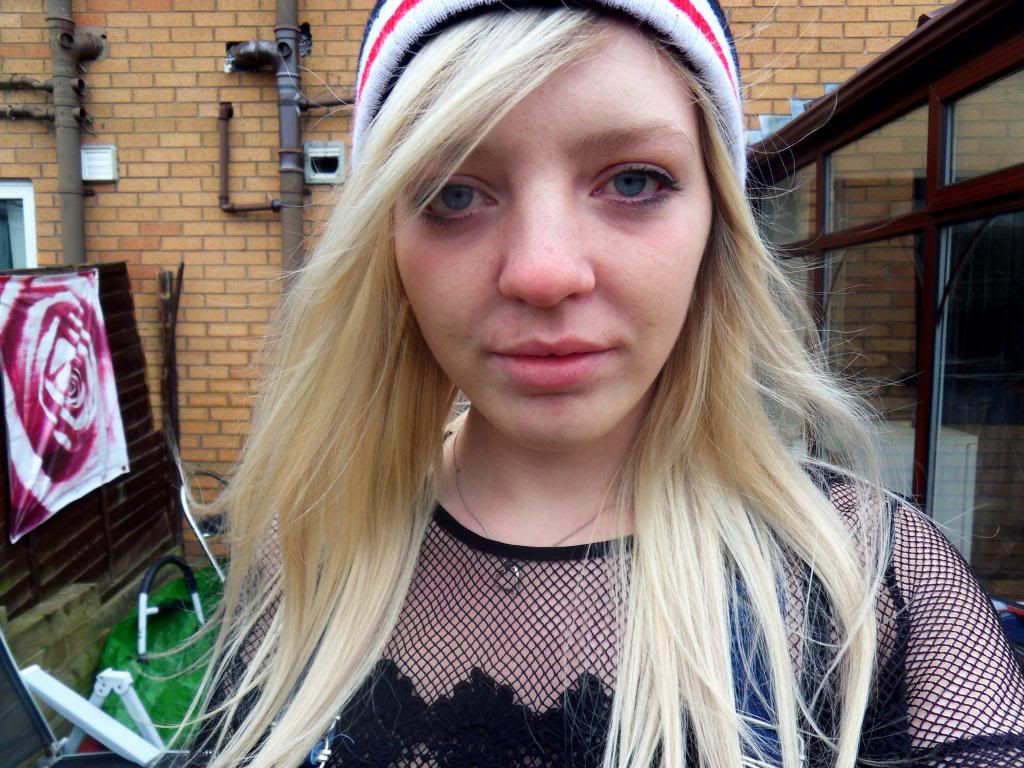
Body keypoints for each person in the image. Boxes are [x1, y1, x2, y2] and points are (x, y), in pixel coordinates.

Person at [187, 1, 1024, 766]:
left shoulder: (872, 584)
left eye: (633, 181)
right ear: (388, 246)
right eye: (453, 193)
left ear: (717, 227)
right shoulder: (309, 554)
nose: (543, 272)